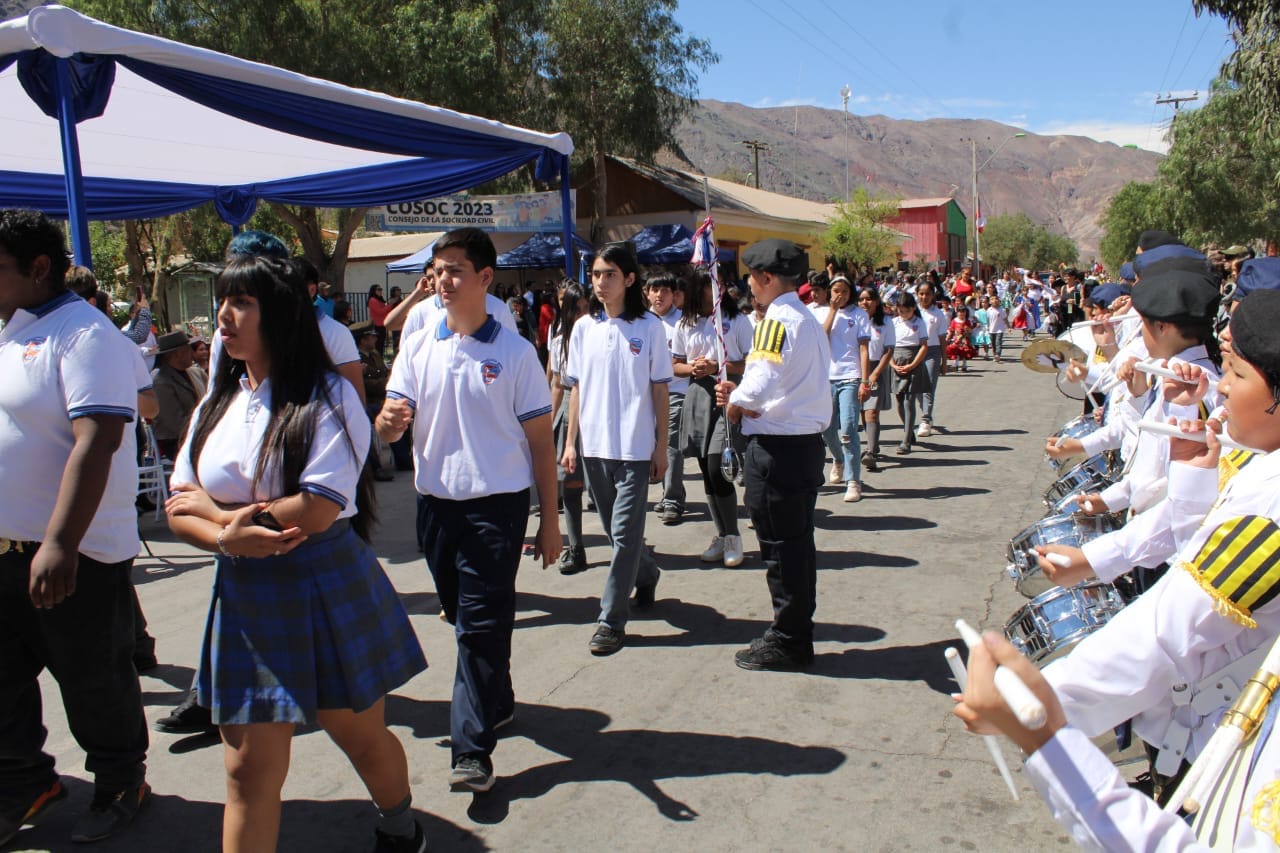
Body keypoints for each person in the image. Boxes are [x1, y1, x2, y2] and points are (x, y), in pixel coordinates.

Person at [956, 290, 1280, 845]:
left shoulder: (1271, 503)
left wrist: (1038, 711)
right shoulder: (1262, 465)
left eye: (1236, 372)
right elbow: (1192, 533)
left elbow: (1171, 626)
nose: (1221, 388)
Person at [166, 255, 427, 852]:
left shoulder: (328, 396)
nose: (222, 319)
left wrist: (221, 517)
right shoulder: (217, 401)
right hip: (243, 593)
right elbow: (180, 501)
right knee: (247, 772)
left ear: (279, 315)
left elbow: (315, 511)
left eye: (241, 304)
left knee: (361, 737)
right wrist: (226, 537)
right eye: (222, 302)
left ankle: (399, 824)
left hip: (323, 580)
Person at [377, 227, 558, 795]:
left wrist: (549, 520)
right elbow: (391, 409)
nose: (443, 279)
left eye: (455, 268)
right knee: (465, 619)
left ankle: (472, 749)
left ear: (485, 278)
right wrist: (386, 425)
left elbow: (539, 444)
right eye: (437, 269)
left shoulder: (515, 352)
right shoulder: (418, 342)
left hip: (496, 508)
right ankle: (496, 696)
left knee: (478, 627)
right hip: (435, 506)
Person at [0, 209, 151, 846]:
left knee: (92, 676)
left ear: (38, 268)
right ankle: (24, 780)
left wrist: (59, 542)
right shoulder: (11, 331)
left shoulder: (86, 336)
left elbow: (97, 441)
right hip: (6, 548)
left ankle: (121, 780)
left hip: (71, 552)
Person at [715, 239, 831, 671]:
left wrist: (735, 401)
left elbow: (761, 384)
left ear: (766, 278)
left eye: (751, 277)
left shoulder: (775, 321)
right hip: (802, 444)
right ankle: (794, 630)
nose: (749, 285)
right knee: (797, 546)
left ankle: (790, 637)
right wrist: (745, 394)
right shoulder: (803, 317)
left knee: (782, 549)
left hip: (779, 449)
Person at [560, 241, 672, 656]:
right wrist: (570, 443)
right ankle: (646, 574)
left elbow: (660, 389)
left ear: (629, 279)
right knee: (616, 535)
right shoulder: (584, 329)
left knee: (624, 535)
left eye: (609, 274)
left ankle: (610, 620)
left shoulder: (650, 329)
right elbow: (576, 390)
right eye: (595, 274)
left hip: (635, 449)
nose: (600, 282)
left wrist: (661, 446)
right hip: (594, 449)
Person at [673, 269, 752, 566]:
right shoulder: (685, 323)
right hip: (697, 396)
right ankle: (721, 536)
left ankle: (734, 537)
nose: (715, 288)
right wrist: (693, 368)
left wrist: (718, 366)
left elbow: (750, 363)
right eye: (708, 284)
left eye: (718, 282)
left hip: (727, 394)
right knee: (707, 470)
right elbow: (675, 364)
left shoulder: (737, 321)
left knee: (720, 466)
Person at [548, 281, 592, 575]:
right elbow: (556, 384)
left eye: (587, 309)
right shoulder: (558, 338)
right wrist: (547, 423)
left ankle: (627, 550)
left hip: (599, 410)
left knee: (608, 487)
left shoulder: (601, 334)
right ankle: (576, 548)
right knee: (571, 485)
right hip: (569, 414)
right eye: (576, 310)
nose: (582, 315)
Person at [821, 275, 873, 501]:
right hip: (827, 378)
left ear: (850, 292)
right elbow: (822, 338)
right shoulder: (823, 312)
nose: (838, 295)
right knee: (827, 429)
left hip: (850, 377)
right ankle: (839, 459)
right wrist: (832, 311)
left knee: (849, 428)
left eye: (843, 291)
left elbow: (863, 349)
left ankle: (853, 481)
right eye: (834, 291)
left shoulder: (859, 315)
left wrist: (864, 379)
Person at [646, 273, 689, 526]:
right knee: (650, 444)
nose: (659, 295)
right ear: (646, 292)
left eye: (665, 290)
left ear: (674, 294)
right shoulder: (639, 322)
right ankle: (667, 491)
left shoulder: (683, 322)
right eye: (655, 289)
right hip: (645, 394)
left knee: (670, 444)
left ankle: (672, 498)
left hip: (675, 391)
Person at [857, 286, 895, 472]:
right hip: (856, 370)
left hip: (876, 368)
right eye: (862, 299)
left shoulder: (886, 322)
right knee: (864, 413)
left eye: (869, 299)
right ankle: (874, 443)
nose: (865, 302)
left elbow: (889, 350)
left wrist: (875, 373)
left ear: (877, 302)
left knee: (871, 411)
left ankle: (870, 453)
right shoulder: (854, 320)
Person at [150, 329, 201, 460]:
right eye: (188, 349)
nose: (192, 353)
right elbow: (174, 423)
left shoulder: (195, 373)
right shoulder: (162, 382)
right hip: (176, 442)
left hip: (197, 435)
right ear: (178, 353)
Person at [354, 322, 395, 483]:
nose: (375, 340)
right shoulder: (356, 358)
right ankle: (376, 467)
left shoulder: (375, 355)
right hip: (367, 402)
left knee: (399, 412)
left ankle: (405, 459)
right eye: (372, 337)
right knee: (365, 422)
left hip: (381, 399)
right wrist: (386, 382)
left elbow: (384, 375)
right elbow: (364, 385)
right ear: (363, 340)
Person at [889, 293, 929, 455]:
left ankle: (906, 441)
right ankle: (908, 429)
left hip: (913, 363)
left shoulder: (919, 323)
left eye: (906, 311)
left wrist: (913, 364)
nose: (903, 314)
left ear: (913, 308)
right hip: (896, 362)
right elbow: (888, 346)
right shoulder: (893, 323)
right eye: (900, 311)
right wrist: (892, 364)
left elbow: (924, 346)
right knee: (899, 400)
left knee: (909, 401)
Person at [915, 279, 946, 436]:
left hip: (932, 351)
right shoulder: (912, 312)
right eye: (921, 293)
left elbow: (942, 339)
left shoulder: (938, 314)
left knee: (928, 386)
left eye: (927, 294)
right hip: (915, 351)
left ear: (933, 295)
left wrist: (944, 361)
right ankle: (926, 413)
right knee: (917, 388)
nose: (924, 297)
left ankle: (925, 420)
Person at [944, 304, 978, 371]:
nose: (961, 313)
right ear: (957, 312)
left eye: (963, 312)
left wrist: (966, 331)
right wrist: (947, 339)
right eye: (960, 312)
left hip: (965, 339)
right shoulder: (954, 321)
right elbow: (951, 330)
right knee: (955, 351)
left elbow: (970, 330)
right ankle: (955, 364)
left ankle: (964, 364)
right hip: (956, 339)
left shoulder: (967, 321)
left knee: (964, 352)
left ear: (966, 313)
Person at [367, 284, 389, 355]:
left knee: (381, 345)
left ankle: (380, 360)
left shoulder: (380, 300)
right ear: (374, 291)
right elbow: (380, 311)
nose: (380, 291)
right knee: (377, 345)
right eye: (378, 289)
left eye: (381, 289)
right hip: (377, 325)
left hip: (382, 324)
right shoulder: (373, 300)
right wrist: (389, 305)